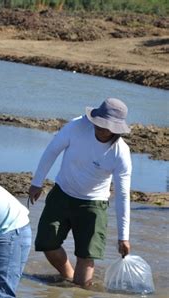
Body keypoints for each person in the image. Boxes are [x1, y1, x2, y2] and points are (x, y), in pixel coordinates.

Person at [28, 98, 132, 287]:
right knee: (46, 242)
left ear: (117, 129)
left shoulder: (121, 153)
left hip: (93, 204)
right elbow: (52, 150)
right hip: (62, 192)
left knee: (86, 258)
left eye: (107, 127)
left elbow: (123, 195)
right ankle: (68, 274)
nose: (100, 129)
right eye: (99, 124)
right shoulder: (77, 126)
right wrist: (37, 183)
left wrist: (123, 237)